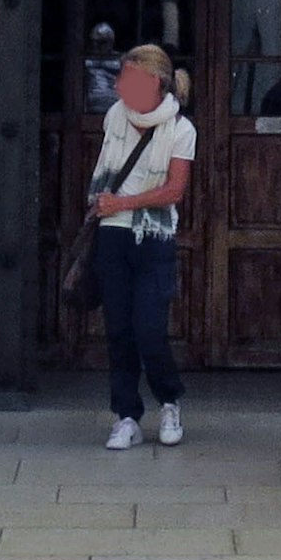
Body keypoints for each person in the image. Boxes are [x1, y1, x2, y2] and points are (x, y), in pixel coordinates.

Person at [85, 43, 196, 452]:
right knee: (118, 329)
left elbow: (174, 190)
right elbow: (104, 169)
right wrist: (102, 202)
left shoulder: (181, 129)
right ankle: (126, 414)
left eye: (128, 78)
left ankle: (169, 400)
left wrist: (124, 202)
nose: (119, 86)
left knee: (149, 328)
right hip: (113, 233)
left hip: (154, 237)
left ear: (154, 81)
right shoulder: (115, 116)